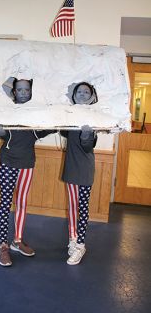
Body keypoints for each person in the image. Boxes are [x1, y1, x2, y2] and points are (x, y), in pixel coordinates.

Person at [0, 78, 54, 267]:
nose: (23, 92)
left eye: (26, 89)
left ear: (31, 91)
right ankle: (3, 245)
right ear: (14, 91)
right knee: (5, 202)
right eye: (19, 89)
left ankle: (17, 241)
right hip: (8, 162)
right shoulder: (6, 111)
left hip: (27, 164)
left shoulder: (36, 114)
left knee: (21, 203)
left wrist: (59, 119)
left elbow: (48, 127)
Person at [61, 82, 98, 265]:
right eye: (79, 92)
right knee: (72, 207)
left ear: (91, 96)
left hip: (85, 169)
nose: (82, 94)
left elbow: (88, 146)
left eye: (86, 92)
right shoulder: (70, 115)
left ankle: (81, 245)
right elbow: (62, 132)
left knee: (83, 208)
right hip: (71, 167)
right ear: (74, 95)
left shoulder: (94, 118)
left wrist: (86, 135)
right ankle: (73, 239)